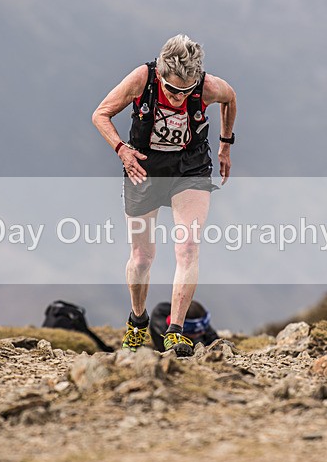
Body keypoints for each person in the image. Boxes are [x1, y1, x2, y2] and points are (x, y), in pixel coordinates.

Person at [92, 35, 237, 356]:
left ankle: (175, 330)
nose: (177, 98)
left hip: (190, 167)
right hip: (144, 167)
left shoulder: (209, 86)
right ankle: (138, 319)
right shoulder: (141, 79)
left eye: (186, 91)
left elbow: (231, 98)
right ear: (160, 75)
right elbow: (101, 114)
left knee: (187, 246)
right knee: (142, 257)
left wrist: (226, 144)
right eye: (171, 90)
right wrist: (122, 150)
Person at [148, 301, 219, 352]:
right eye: (194, 331)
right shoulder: (160, 317)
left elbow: (214, 339)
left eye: (204, 327)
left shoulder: (203, 328)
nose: (202, 332)